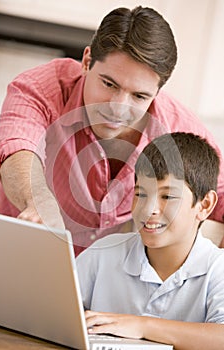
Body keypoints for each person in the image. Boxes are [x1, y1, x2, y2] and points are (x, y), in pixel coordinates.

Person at [0, 6, 224, 255]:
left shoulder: (179, 128)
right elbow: (17, 146)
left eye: (139, 96)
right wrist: (37, 201)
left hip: (103, 264)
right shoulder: (42, 87)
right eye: (109, 83)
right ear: (87, 61)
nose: (118, 108)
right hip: (16, 227)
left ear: (157, 92)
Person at [76, 132, 224, 350]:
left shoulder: (217, 269)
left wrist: (141, 326)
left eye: (167, 197)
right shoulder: (103, 253)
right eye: (141, 194)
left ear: (204, 205)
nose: (149, 209)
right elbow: (52, 310)